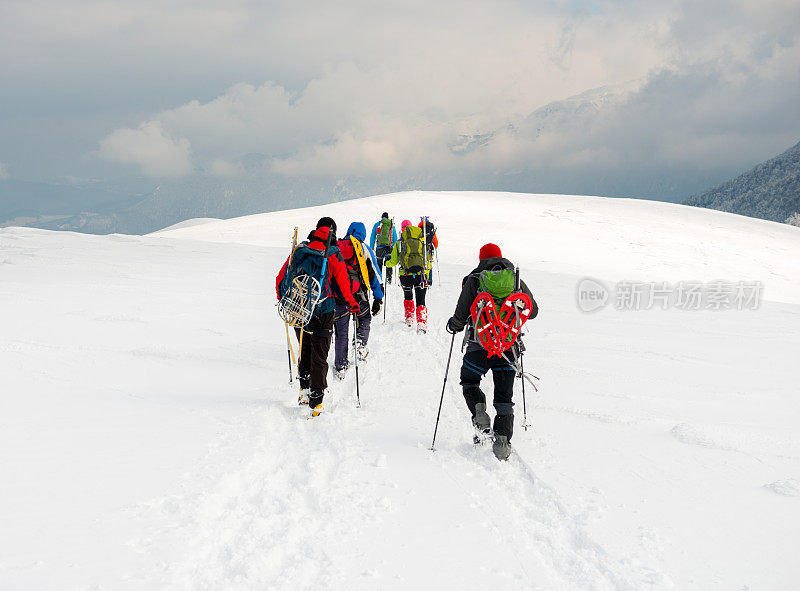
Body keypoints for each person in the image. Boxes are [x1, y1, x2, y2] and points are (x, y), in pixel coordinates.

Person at [445, 243, 538, 460]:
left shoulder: (475, 279)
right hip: (508, 348)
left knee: (469, 381)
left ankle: (480, 417)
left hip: (479, 346)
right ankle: (502, 446)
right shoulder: (514, 279)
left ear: (481, 259)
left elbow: (461, 314)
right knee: (504, 398)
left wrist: (454, 325)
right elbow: (532, 310)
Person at [276, 217, 360, 417]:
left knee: (305, 348)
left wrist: (285, 299)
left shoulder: (300, 250)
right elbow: (342, 283)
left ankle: (304, 391)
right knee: (320, 354)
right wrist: (351, 303)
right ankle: (316, 401)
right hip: (324, 310)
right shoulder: (332, 254)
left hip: (300, 309)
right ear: (333, 232)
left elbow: (281, 278)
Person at [333, 222, 385, 379]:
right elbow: (375, 274)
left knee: (341, 330)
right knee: (364, 318)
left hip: (339, 297)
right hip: (359, 295)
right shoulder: (365, 249)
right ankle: (360, 345)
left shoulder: (337, 247)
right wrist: (378, 297)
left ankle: (341, 364)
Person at [385, 219, 430, 333]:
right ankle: (421, 324)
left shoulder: (399, 243)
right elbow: (427, 261)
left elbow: (394, 261)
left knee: (408, 296)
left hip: (405, 275)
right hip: (420, 275)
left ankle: (409, 319)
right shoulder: (421, 240)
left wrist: (387, 263)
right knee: (421, 299)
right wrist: (426, 275)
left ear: (402, 229)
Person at [370, 212, 398, 285]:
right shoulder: (391, 225)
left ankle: (379, 279)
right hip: (389, 248)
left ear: (382, 218)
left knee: (379, 263)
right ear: (388, 217)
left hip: (379, 248)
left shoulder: (377, 225)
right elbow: (395, 237)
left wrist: (371, 247)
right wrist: (394, 246)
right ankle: (389, 280)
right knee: (389, 263)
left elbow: (373, 236)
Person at [418, 217, 438, 287]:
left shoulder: (418, 229)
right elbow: (436, 243)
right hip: (429, 249)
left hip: (421, 250)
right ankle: (429, 280)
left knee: (421, 263)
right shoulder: (431, 230)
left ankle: (422, 279)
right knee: (429, 264)